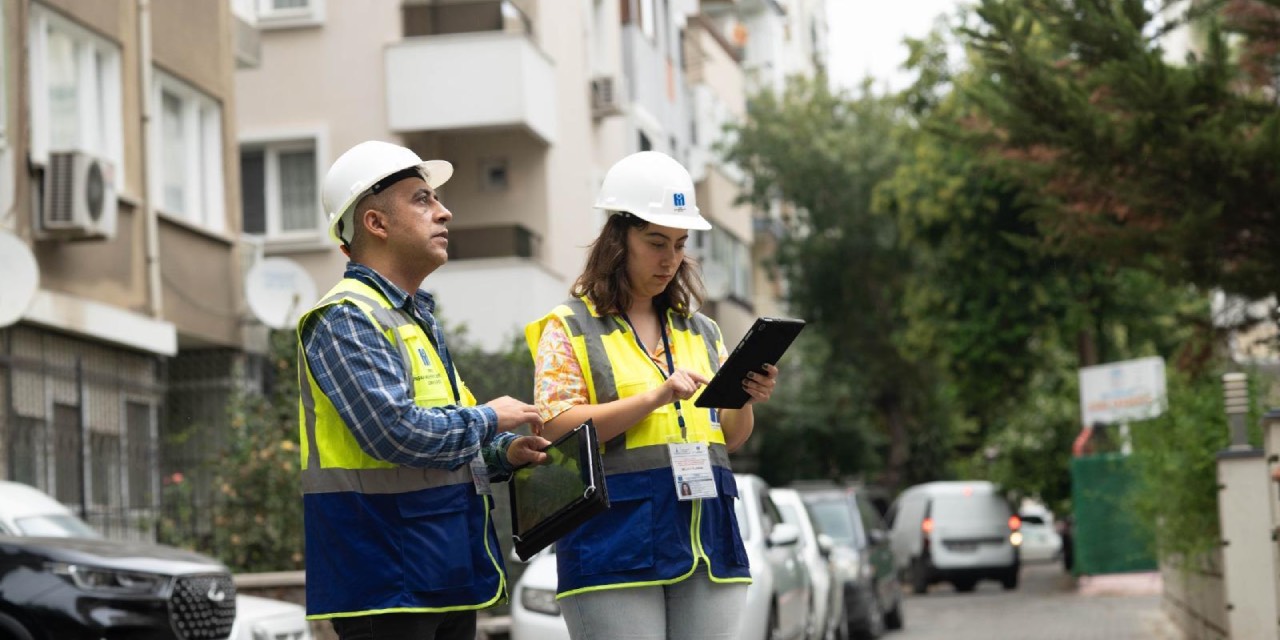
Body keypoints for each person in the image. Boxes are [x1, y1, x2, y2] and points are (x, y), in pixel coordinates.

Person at [297, 140, 549, 640]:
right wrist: (491, 418)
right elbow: (394, 434)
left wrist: (503, 456)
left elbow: (437, 448)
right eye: (422, 199)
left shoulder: (412, 318)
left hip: (439, 570)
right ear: (375, 223)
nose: (445, 212)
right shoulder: (346, 317)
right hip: (385, 583)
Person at [525, 150, 779, 640]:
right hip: (614, 546)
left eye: (681, 244)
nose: (671, 258)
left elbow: (731, 439)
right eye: (656, 241)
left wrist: (744, 397)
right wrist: (655, 397)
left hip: (707, 542)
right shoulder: (569, 327)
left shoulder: (702, 331)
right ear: (618, 239)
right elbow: (557, 428)